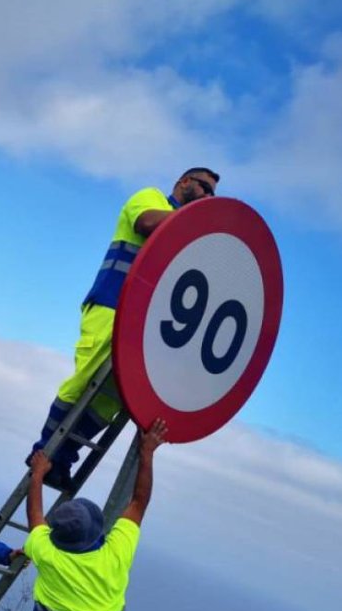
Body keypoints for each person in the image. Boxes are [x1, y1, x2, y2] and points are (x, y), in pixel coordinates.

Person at [31, 168, 218, 490]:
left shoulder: (187, 236)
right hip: (111, 304)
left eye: (213, 195)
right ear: (184, 182)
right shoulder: (151, 198)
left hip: (142, 323)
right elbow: (145, 224)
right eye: (204, 188)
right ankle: (43, 453)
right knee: (87, 378)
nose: (207, 197)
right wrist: (196, 220)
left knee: (113, 398)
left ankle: (63, 458)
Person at [23, 420, 168, 611]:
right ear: (98, 530)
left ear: (56, 536)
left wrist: (38, 474)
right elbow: (139, 501)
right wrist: (147, 452)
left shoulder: (47, 553)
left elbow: (35, 515)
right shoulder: (116, 555)